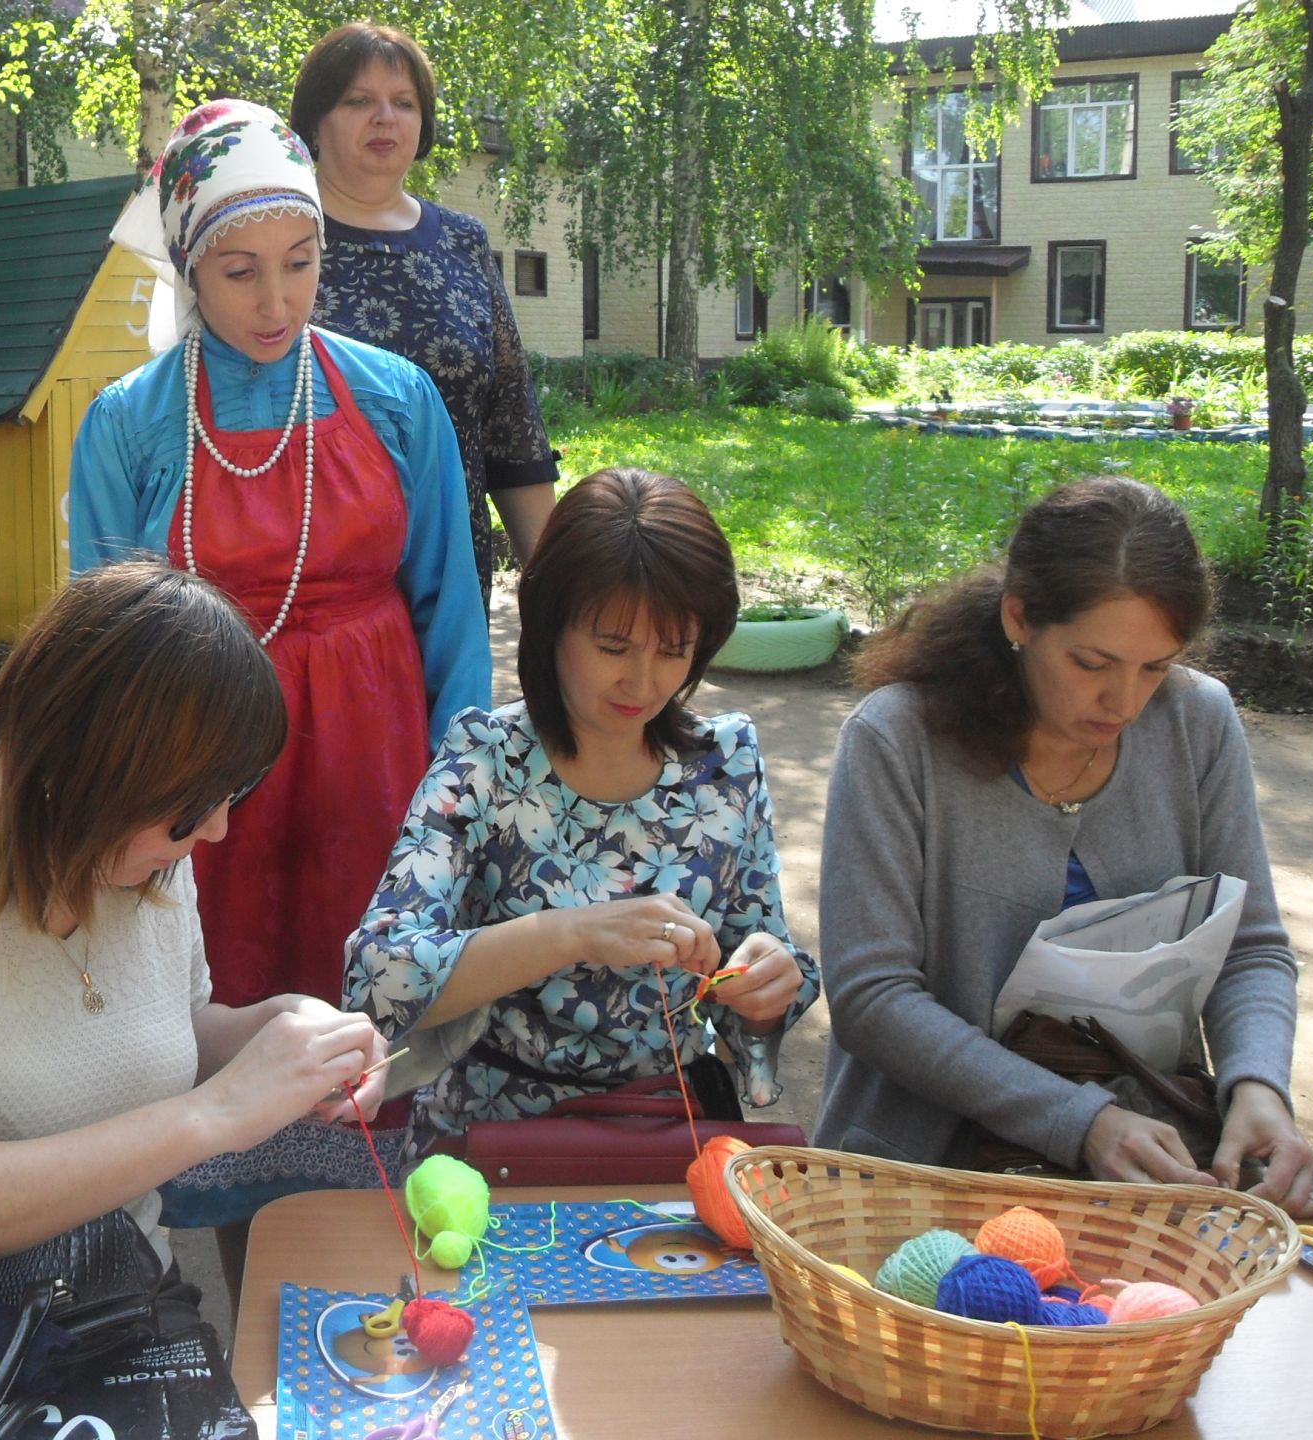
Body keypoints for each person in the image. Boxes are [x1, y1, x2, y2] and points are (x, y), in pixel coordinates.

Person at [0, 562, 386, 1310]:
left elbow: (152, 1037)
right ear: (84, 769)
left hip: (104, 1307)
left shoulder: (139, 845)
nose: (213, 829)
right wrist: (209, 1118)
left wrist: (273, 1031)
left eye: (228, 796)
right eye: (190, 806)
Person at [70, 99, 489, 1015]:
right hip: (202, 770)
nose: (275, 303)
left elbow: (450, 610)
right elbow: (96, 648)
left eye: (300, 265)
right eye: (239, 272)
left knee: (368, 1012)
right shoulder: (128, 423)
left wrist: (461, 795)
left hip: (373, 759)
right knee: (213, 1003)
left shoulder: (396, 397)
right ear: (189, 267)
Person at [814, 476, 1313, 1219]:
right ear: (1019, 618)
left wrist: (1256, 1087)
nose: (1124, 702)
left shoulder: (1199, 722)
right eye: (1092, 664)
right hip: (922, 1178)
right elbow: (873, 997)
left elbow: (1249, 949)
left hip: (1150, 1173)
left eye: (1155, 667)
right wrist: (1078, 1120)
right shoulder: (896, 740)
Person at [346, 468, 818, 1158]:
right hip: (492, 1147)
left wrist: (769, 983)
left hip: (674, 1137)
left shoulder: (725, 763)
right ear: (550, 621)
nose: (644, 681)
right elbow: (379, 977)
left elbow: (752, 964)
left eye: (675, 650)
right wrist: (571, 935)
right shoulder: (487, 757)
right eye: (612, 647)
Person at [291, 22, 558, 607]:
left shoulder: (463, 242)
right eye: (358, 100)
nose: (384, 117)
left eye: (404, 103)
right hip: (306, 592)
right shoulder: (277, 241)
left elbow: (513, 433)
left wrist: (560, 602)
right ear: (315, 120)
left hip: (449, 590)